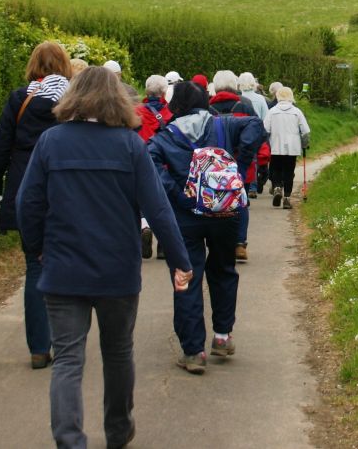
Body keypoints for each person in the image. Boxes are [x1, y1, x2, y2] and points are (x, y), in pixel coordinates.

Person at [18, 66, 193, 449]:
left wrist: (38, 251)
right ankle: (118, 430)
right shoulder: (129, 145)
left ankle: (69, 440)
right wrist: (180, 260)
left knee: (66, 359)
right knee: (117, 353)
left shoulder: (50, 142)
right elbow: (158, 209)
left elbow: (26, 204)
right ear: (116, 100)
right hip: (117, 269)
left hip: (63, 268)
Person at [147, 81, 265, 374]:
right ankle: (222, 337)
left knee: (186, 277)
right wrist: (238, 167)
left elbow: (151, 167)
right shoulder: (222, 125)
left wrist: (178, 194)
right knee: (224, 270)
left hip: (185, 217)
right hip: (225, 213)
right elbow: (257, 126)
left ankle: (193, 351)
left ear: (174, 106)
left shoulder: (164, 137)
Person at [0, 40, 73, 369]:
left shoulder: (19, 99)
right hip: (63, 188)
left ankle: (39, 347)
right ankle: (66, 338)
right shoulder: (73, 102)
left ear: (33, 65)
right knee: (64, 262)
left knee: (34, 266)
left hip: (25, 189)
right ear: (65, 66)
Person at [208, 70, 269, 261]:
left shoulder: (208, 107)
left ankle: (217, 243)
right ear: (235, 86)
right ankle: (239, 243)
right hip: (240, 161)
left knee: (214, 201)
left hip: (215, 162)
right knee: (240, 200)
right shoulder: (245, 105)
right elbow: (257, 131)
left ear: (215, 87)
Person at [136, 74, 174, 259]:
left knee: (142, 199)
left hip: (141, 160)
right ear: (164, 92)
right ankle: (163, 246)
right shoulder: (170, 114)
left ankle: (145, 226)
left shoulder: (136, 112)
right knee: (164, 203)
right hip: (164, 163)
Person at [264, 86, 311, 209]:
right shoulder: (297, 112)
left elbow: (265, 130)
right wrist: (305, 143)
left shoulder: (272, 111)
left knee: (275, 170)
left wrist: (266, 143)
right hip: (292, 148)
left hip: (275, 147)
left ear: (278, 96)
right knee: (289, 172)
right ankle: (286, 198)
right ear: (291, 97)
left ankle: (277, 187)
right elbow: (305, 131)